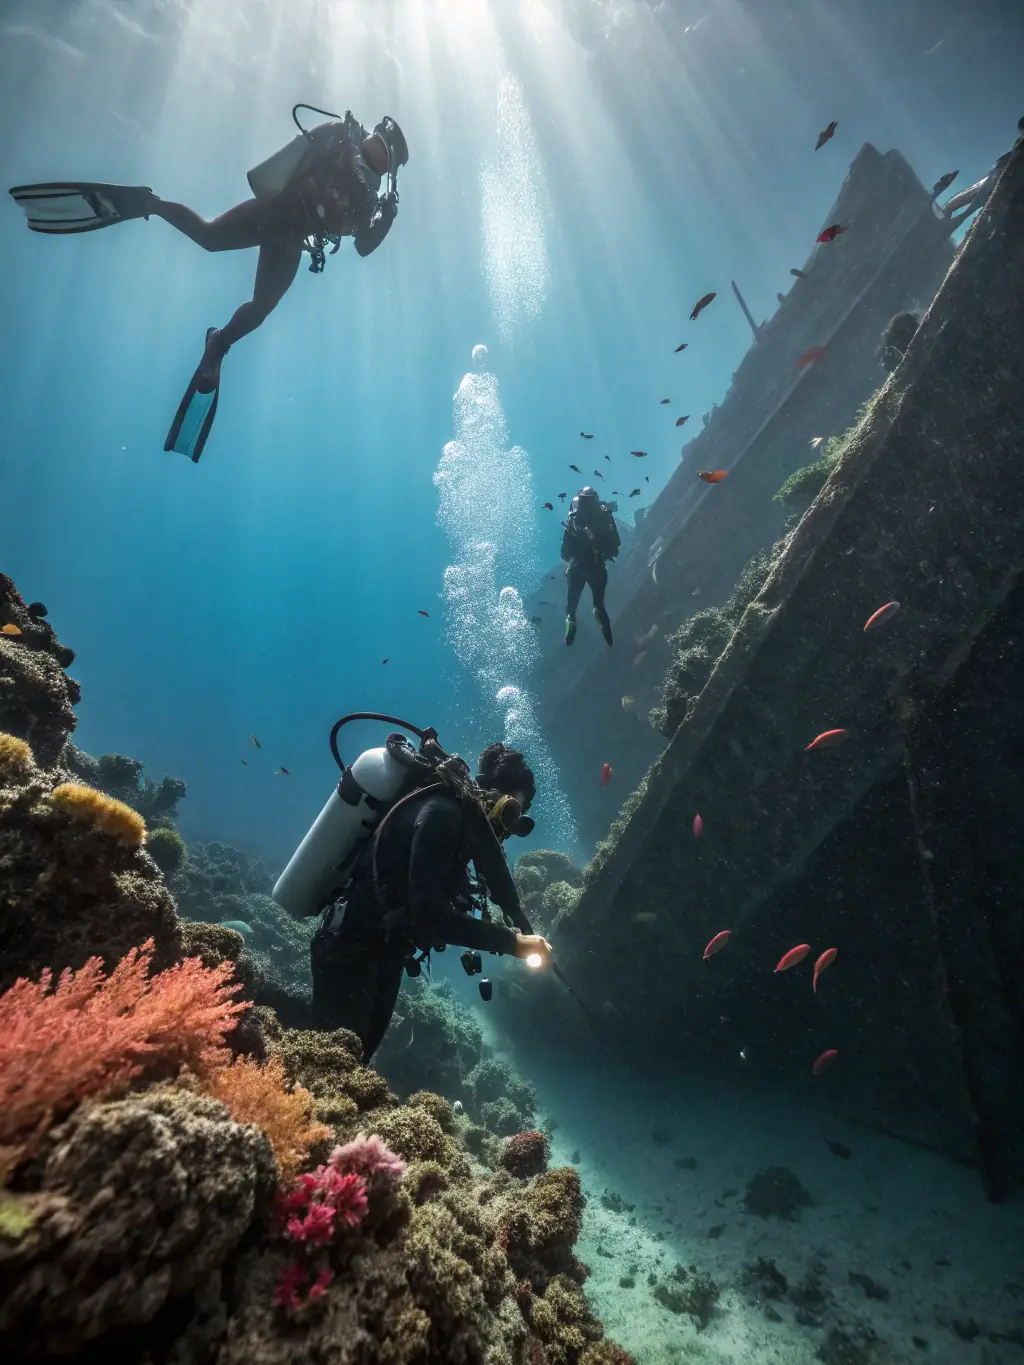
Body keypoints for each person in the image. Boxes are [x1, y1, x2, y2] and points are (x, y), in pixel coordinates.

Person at [9, 108, 408, 460]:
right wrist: (354, 163)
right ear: (373, 135)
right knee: (210, 237)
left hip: (290, 242)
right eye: (379, 143)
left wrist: (386, 217)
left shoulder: (369, 200)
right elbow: (306, 159)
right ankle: (148, 204)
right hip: (275, 214)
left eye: (384, 153)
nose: (377, 151)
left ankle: (219, 343)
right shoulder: (341, 138)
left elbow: (363, 248)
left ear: (387, 167)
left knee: (261, 308)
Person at [310, 741, 551, 1062]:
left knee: (355, 1062)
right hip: (350, 946)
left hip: (383, 951)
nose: (507, 830)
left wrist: (518, 921)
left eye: (517, 822)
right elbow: (428, 915)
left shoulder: (463, 825)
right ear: (493, 796)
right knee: (330, 1065)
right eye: (510, 813)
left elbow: (489, 880)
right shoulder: (442, 813)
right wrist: (515, 943)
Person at [561, 486, 620, 647]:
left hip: (576, 568)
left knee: (571, 605)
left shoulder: (573, 518)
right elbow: (616, 545)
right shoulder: (604, 516)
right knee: (599, 603)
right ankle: (606, 629)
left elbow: (564, 554)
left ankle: (570, 621)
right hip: (597, 567)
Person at [943, 116, 1023, 222]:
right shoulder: (1019, 144)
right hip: (998, 175)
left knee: (979, 202)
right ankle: (948, 212)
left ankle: (950, 213)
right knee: (971, 197)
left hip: (1006, 180)